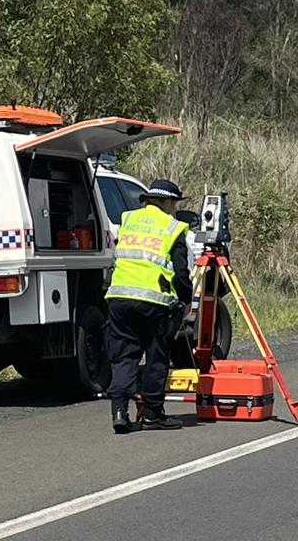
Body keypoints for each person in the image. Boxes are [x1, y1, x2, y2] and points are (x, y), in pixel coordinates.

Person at [105, 178, 193, 434]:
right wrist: (185, 299)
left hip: (119, 298)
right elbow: (180, 273)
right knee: (156, 356)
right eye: (174, 203)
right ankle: (153, 414)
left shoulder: (129, 220)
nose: (175, 208)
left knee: (124, 356)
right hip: (154, 302)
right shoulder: (173, 227)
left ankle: (120, 412)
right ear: (166, 202)